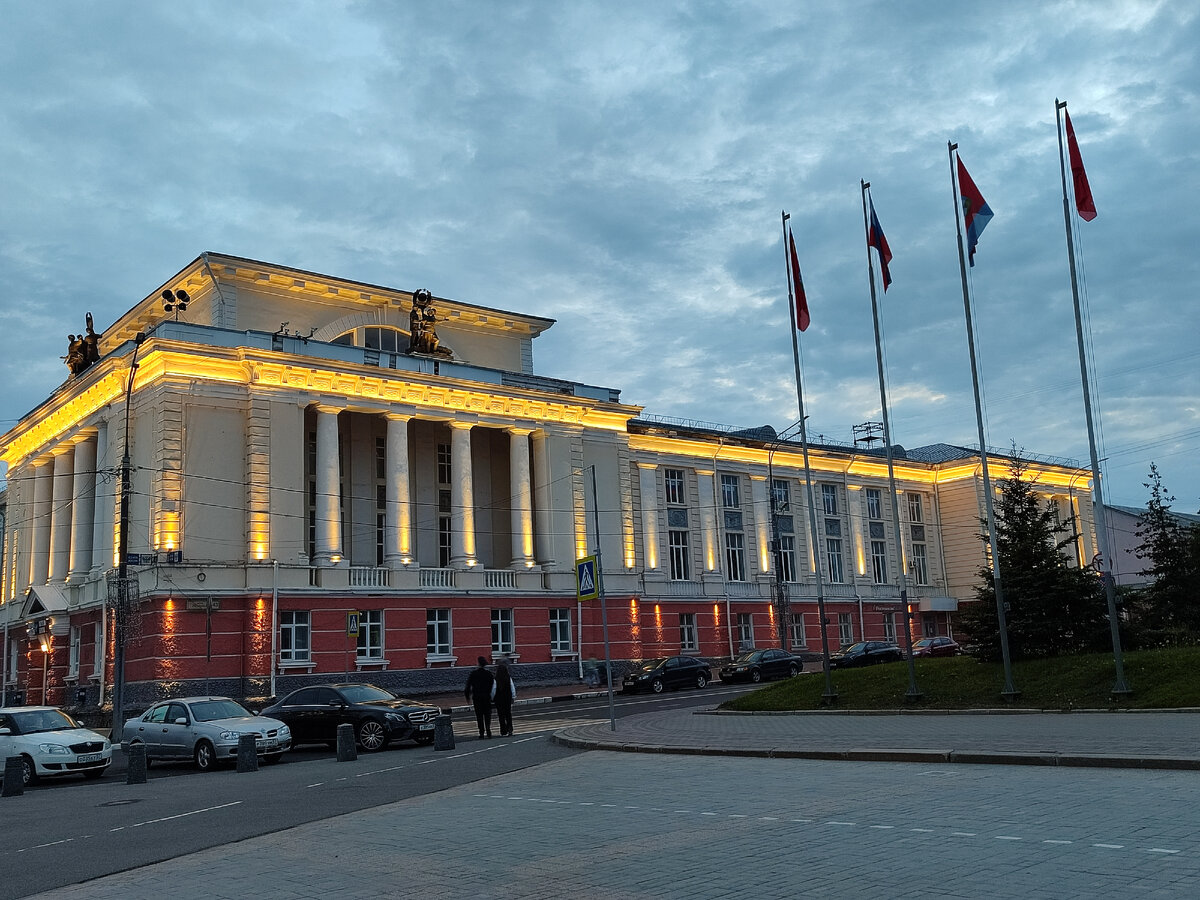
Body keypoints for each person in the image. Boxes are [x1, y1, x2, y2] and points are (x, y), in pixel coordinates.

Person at [464, 656, 495, 738]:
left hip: (477, 697)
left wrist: (468, 697)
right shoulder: (489, 674)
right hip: (486, 697)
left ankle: (481, 732)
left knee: (479, 715)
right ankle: (488, 730)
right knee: (487, 714)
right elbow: (492, 686)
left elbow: (468, 686)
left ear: (478, 663)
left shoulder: (473, 674)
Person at [493, 660, 517, 736]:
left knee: (501, 715)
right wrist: (513, 697)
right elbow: (512, 688)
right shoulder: (508, 678)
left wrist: (492, 697)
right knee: (508, 714)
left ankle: (503, 731)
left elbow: (493, 689)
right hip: (507, 698)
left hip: (499, 699)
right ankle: (510, 729)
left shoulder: (496, 679)